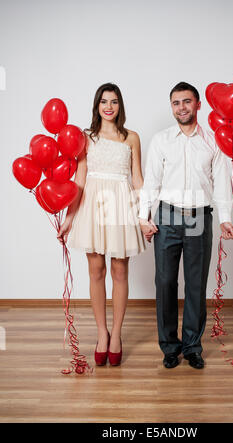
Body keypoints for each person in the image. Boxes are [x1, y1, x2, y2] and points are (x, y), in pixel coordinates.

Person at [139, 82, 233, 370]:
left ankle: (192, 346)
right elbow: (152, 181)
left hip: (199, 216)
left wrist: (225, 217)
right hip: (167, 216)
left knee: (195, 285)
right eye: (176, 102)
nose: (181, 107)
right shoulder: (161, 140)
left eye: (186, 101)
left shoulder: (212, 141)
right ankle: (169, 347)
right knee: (165, 282)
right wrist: (144, 217)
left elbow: (221, 182)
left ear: (198, 105)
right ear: (172, 107)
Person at [57, 83, 146, 367]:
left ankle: (117, 334)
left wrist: (144, 216)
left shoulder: (131, 137)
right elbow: (80, 179)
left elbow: (138, 180)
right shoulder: (86, 137)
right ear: (97, 105)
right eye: (104, 101)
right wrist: (69, 218)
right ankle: (101, 333)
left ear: (120, 106)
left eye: (115, 102)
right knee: (96, 270)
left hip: (121, 205)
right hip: (92, 206)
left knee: (120, 270)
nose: (109, 106)